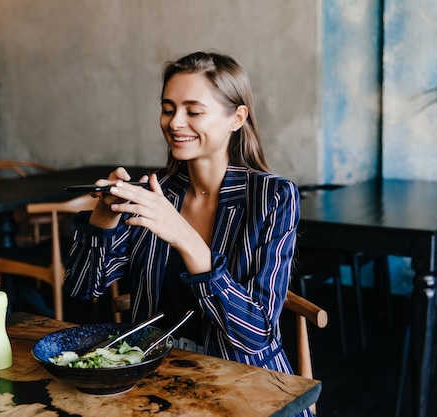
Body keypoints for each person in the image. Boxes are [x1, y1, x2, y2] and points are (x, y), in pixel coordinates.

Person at [65, 52, 306, 414]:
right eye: (168, 109)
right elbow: (83, 288)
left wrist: (185, 237)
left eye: (193, 111)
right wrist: (103, 214)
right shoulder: (154, 191)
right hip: (156, 376)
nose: (175, 122)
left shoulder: (272, 197)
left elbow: (255, 334)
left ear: (236, 118)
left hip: (244, 381)